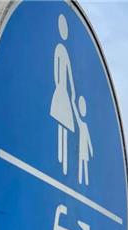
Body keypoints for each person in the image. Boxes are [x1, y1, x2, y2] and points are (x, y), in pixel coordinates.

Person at [50, 14, 77, 175]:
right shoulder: (61, 50)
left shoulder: (62, 51)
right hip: (62, 92)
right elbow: (67, 76)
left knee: (63, 126)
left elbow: (66, 75)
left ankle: (62, 162)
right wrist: (66, 90)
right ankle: (61, 162)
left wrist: (66, 90)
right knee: (62, 126)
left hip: (61, 91)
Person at [76, 96, 93, 185]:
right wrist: (73, 103)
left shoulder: (85, 126)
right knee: (81, 164)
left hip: (84, 149)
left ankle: (85, 181)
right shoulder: (81, 124)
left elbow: (88, 139)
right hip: (81, 149)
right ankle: (80, 179)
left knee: (85, 165)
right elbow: (77, 117)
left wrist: (90, 149)